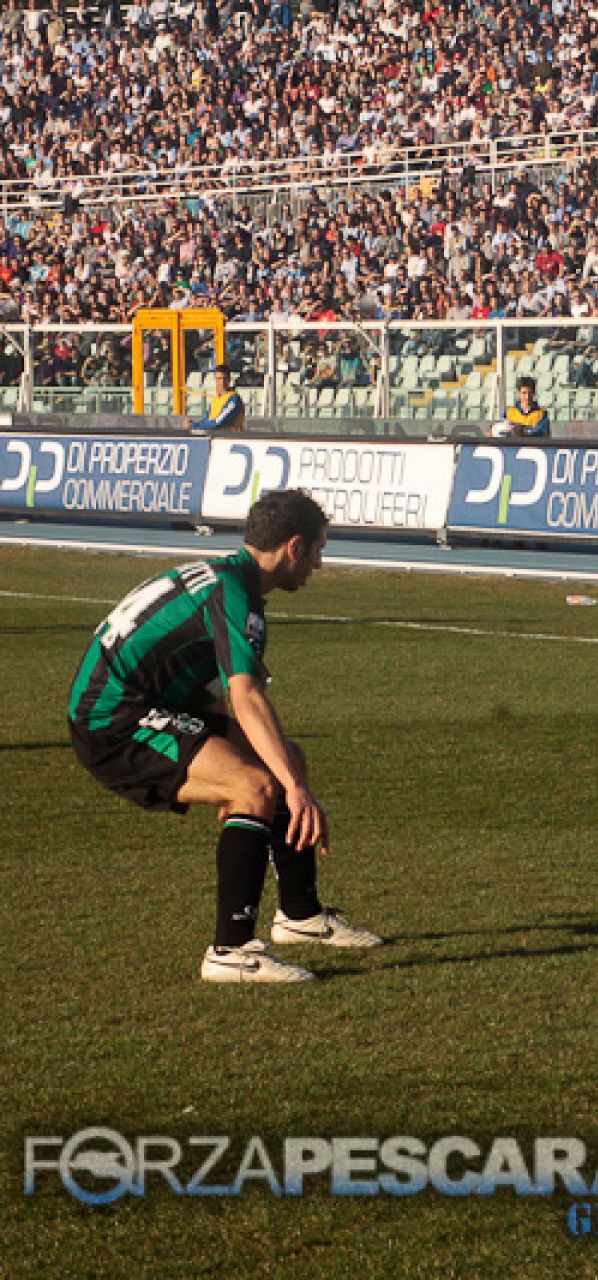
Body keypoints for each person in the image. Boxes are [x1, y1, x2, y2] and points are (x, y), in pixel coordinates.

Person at [67, 489, 383, 983]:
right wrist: (286, 788)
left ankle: (299, 915)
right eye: (318, 550)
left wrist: (260, 768)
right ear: (294, 546)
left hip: (148, 704)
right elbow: (245, 698)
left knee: (286, 759)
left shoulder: (225, 577)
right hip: (113, 720)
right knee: (256, 787)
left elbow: (207, 686)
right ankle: (230, 951)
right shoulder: (235, 593)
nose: (318, 564)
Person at [188, 363, 246, 432]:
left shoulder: (234, 400)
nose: (222, 382)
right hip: (215, 436)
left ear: (229, 379)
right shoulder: (216, 399)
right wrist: (193, 424)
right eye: (219, 379)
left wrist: (193, 426)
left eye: (225, 378)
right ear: (215, 380)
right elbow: (207, 420)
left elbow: (217, 423)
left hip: (230, 437)